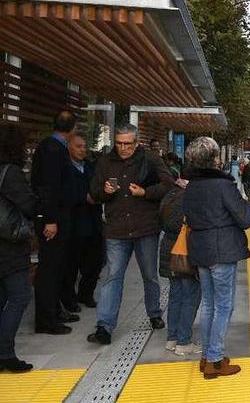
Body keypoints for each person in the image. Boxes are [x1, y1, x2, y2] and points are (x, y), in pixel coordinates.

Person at [86, 123, 174, 345]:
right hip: (116, 229)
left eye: (127, 144)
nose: (123, 148)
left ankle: (154, 313)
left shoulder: (151, 159)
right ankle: (104, 327)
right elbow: (94, 193)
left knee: (149, 275)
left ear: (136, 143)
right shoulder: (105, 162)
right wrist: (104, 192)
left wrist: (146, 192)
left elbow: (169, 185)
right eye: (119, 143)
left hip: (145, 227)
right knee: (112, 277)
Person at [182, 137, 250, 379]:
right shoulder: (223, 186)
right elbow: (245, 219)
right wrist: (247, 203)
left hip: (201, 251)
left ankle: (207, 357)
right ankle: (215, 360)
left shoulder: (191, 185)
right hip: (222, 252)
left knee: (209, 305)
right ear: (215, 160)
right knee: (224, 306)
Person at [0, 126, 37, 373]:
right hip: (8, 245)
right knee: (20, 296)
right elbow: (28, 205)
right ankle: (4, 353)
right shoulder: (10, 173)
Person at [30, 111, 78, 334]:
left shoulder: (52, 147)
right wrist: (50, 219)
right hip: (52, 219)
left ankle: (55, 312)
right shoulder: (52, 149)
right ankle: (46, 319)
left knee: (58, 266)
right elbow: (48, 187)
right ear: (73, 128)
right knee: (49, 268)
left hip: (57, 216)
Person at [158, 178, 202, 356]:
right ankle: (184, 341)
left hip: (169, 252)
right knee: (190, 295)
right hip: (184, 253)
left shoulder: (170, 195)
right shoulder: (188, 197)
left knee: (175, 295)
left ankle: (172, 338)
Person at [61, 135, 104, 310]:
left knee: (94, 262)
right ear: (69, 148)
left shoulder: (90, 167)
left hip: (93, 222)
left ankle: (86, 294)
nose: (82, 150)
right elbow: (61, 193)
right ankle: (69, 299)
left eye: (84, 146)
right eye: (78, 146)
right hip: (73, 223)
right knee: (71, 266)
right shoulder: (63, 168)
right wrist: (82, 198)